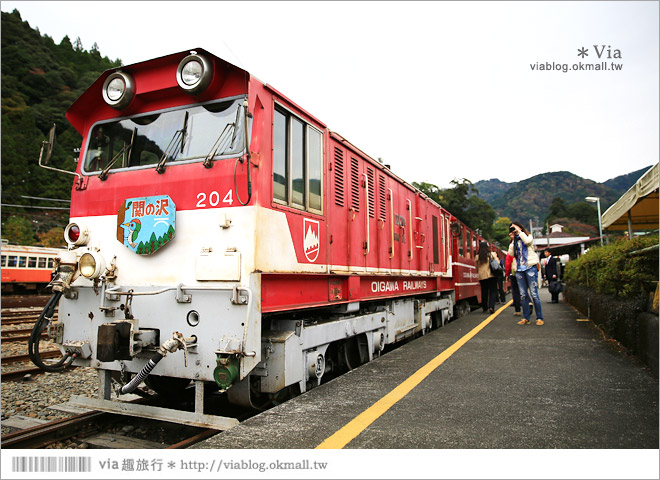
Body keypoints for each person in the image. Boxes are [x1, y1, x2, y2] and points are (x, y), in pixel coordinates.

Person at [508, 222, 544, 326]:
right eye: (512, 228)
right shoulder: (514, 241)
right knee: (523, 295)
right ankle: (526, 318)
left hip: (530, 267)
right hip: (519, 268)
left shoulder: (528, 236)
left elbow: (527, 242)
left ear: (520, 227)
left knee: (534, 294)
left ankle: (539, 317)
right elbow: (510, 254)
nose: (513, 230)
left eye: (515, 227)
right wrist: (513, 239)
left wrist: (519, 232)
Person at [476, 241, 498, 314]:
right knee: (493, 291)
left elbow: (476, 267)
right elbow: (497, 263)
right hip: (491, 275)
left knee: (484, 292)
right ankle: (491, 306)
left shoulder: (477, 256)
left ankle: (484, 307)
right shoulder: (491, 254)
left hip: (482, 277)